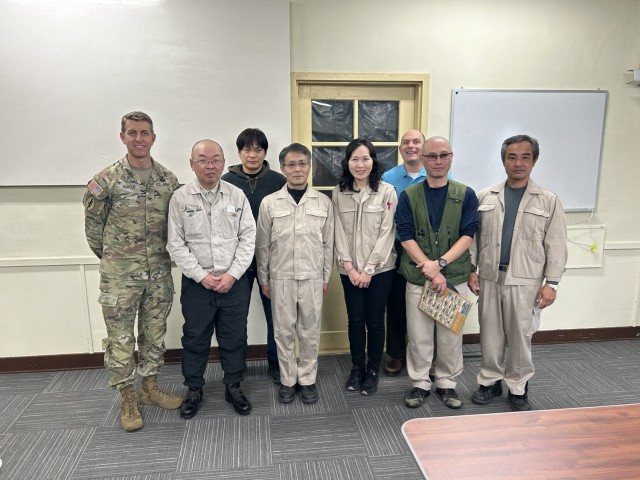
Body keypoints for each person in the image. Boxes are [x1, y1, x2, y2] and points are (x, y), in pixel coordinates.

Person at [83, 111, 182, 432]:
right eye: (132, 133)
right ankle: (127, 398)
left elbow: (176, 227)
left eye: (145, 133)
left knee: (154, 336)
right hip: (120, 278)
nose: (139, 138)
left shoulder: (168, 180)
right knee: (121, 340)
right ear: (123, 137)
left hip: (158, 277)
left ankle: (149, 388)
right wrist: (116, 260)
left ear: (153, 137)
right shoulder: (106, 180)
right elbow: (93, 231)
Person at [468, 134, 567, 412]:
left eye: (525, 157)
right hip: (489, 277)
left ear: (534, 161)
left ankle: (518, 386)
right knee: (490, 333)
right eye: (512, 157)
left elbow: (556, 244)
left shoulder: (547, 200)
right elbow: (474, 238)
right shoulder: (486, 196)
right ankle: (489, 381)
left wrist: (553, 283)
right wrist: (471, 270)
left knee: (520, 336)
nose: (518, 163)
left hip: (526, 281)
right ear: (503, 161)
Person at [167, 139, 255, 418]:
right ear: (191, 164)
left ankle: (233, 385)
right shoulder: (180, 198)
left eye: (216, 159)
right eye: (203, 160)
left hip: (234, 283)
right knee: (195, 338)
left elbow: (248, 238)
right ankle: (194, 388)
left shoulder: (236, 195)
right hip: (197, 285)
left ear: (223, 162)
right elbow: (176, 244)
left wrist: (232, 274)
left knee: (234, 338)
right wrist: (202, 276)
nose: (210, 165)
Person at [396, 136, 478, 409]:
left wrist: (439, 264)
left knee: (450, 336)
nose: (438, 161)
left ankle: (447, 383)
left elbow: (468, 235)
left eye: (444, 155)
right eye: (432, 156)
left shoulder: (465, 194)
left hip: (453, 278)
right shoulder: (408, 196)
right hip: (419, 278)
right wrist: (430, 270)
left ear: (451, 158)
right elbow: (406, 237)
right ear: (423, 159)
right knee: (418, 337)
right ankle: (420, 383)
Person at [255, 143, 334, 405]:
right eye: (291, 164)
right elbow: (262, 244)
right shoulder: (270, 203)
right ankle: (288, 380)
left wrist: (325, 277)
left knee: (310, 332)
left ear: (309, 166)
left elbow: (328, 243)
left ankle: (308, 379)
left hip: (312, 277)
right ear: (282, 169)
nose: (297, 169)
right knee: (283, 332)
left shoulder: (323, 202)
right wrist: (264, 278)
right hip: (280, 278)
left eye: (302, 163)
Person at [221, 128, 286, 384]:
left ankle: (276, 363)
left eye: (258, 149)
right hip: (237, 262)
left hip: (272, 260)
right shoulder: (226, 181)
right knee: (236, 317)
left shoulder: (278, 181)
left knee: (276, 315)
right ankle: (237, 365)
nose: (252, 154)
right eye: (247, 149)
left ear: (265, 152)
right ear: (239, 152)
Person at [333, 139, 397, 395]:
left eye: (365, 159)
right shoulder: (339, 192)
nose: (360, 165)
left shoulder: (387, 191)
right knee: (355, 321)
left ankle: (372, 370)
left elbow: (387, 231)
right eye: (354, 159)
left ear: (374, 161)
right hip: (348, 269)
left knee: (375, 321)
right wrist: (350, 268)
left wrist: (369, 269)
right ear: (347, 163)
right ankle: (357, 367)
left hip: (380, 271)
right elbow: (336, 231)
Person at [381, 129, 426, 376]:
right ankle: (396, 354)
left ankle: (427, 357)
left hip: (430, 248)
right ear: (400, 149)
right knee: (396, 303)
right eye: (406, 142)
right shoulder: (389, 178)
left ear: (424, 147)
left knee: (428, 303)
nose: (411, 146)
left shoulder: (438, 173)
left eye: (416, 142)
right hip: (397, 247)